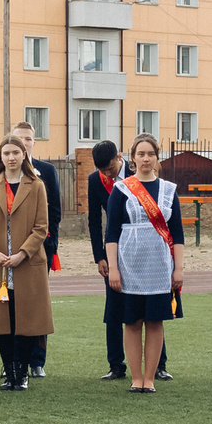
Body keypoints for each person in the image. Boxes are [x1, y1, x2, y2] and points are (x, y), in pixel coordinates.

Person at [103, 133, 183, 394]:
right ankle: (135, 377)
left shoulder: (169, 190)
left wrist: (178, 268)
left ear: (157, 157)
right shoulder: (121, 189)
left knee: (155, 321)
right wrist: (113, 268)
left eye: (150, 154)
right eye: (141, 154)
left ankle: (150, 378)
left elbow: (178, 233)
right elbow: (112, 232)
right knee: (132, 322)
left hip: (160, 265)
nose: (146, 158)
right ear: (132, 158)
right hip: (128, 264)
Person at [0, 136, 54, 390]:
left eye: (15, 153)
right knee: (2, 320)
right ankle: (9, 371)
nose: (11, 158)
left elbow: (41, 227)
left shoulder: (37, 185)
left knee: (26, 319)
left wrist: (23, 253)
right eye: (6, 153)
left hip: (26, 263)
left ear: (24, 155)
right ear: (1, 157)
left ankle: (22, 372)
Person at [7, 116, 63, 377]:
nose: (25, 144)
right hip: (8, 253)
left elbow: (55, 212)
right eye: (20, 139)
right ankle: (12, 362)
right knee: (10, 306)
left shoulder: (46, 171)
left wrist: (49, 245)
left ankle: (37, 361)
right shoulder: (2, 172)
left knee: (36, 304)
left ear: (34, 142)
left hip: (39, 249)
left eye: (29, 139)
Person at [84, 139, 130, 380]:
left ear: (119, 157)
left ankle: (159, 364)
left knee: (147, 307)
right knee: (113, 309)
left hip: (139, 248)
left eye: (110, 168)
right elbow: (94, 220)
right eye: (102, 170)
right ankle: (116, 365)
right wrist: (98, 257)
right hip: (111, 250)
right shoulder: (95, 180)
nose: (107, 173)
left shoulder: (137, 172)